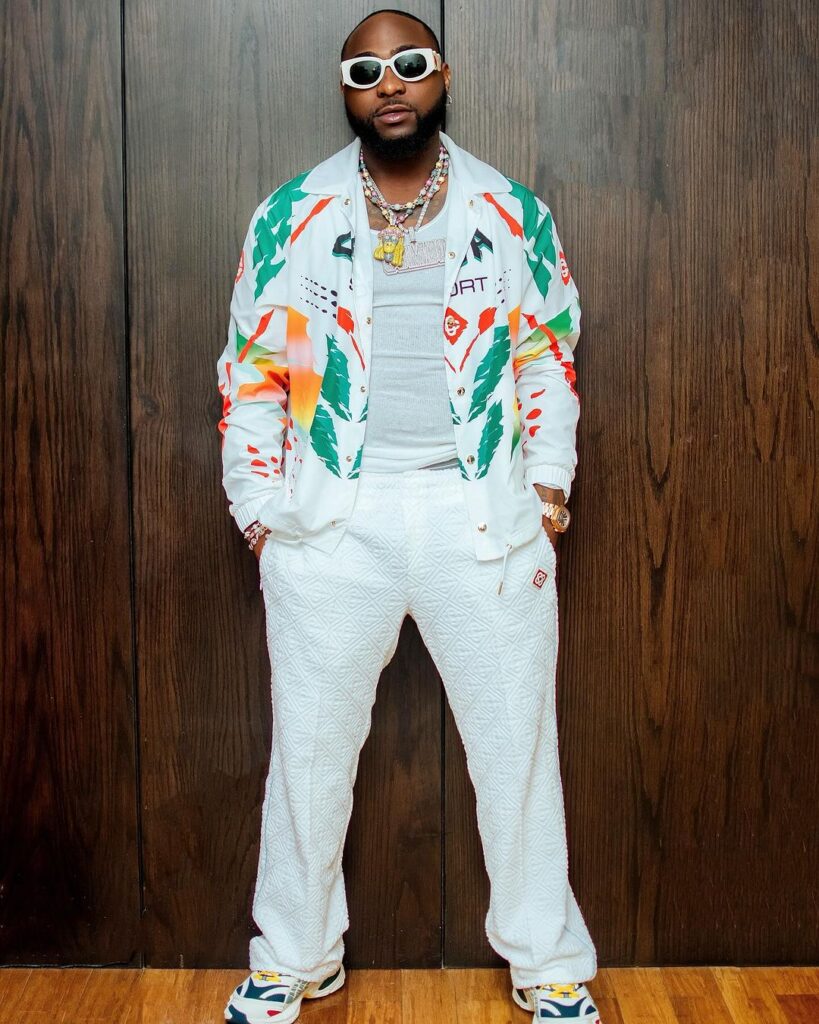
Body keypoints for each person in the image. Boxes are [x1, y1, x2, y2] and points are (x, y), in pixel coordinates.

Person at [217, 9, 601, 1023]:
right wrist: (259, 508)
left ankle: (548, 962)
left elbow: (546, 353)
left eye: (409, 64)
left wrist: (547, 486)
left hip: (482, 512)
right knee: (309, 754)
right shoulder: (291, 215)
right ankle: (294, 956)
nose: (388, 83)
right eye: (365, 71)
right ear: (346, 91)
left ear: (442, 75)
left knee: (516, 748)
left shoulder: (510, 213)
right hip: (330, 516)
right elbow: (253, 369)